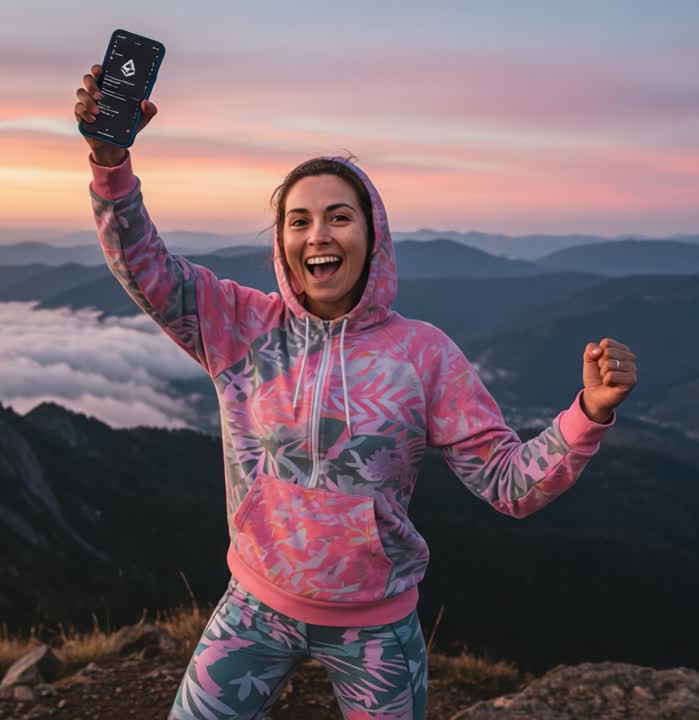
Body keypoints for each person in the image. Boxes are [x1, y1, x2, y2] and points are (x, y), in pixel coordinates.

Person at [75, 64, 638, 719]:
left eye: (339, 217)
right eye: (298, 221)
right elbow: (143, 266)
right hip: (254, 605)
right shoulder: (239, 326)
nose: (318, 235)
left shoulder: (423, 355)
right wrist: (110, 161)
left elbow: (509, 485)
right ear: (283, 245)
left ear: (373, 236)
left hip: (377, 628)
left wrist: (588, 413)